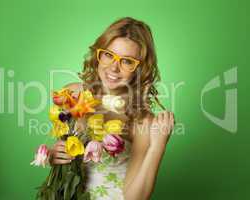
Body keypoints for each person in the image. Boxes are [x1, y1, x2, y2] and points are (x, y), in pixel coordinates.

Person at [48, 17, 175, 200]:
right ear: (98, 54)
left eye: (127, 61)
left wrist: (157, 146)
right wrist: (55, 156)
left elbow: (134, 198)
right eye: (108, 54)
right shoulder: (72, 94)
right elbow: (65, 155)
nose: (114, 68)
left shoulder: (142, 120)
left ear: (140, 69)